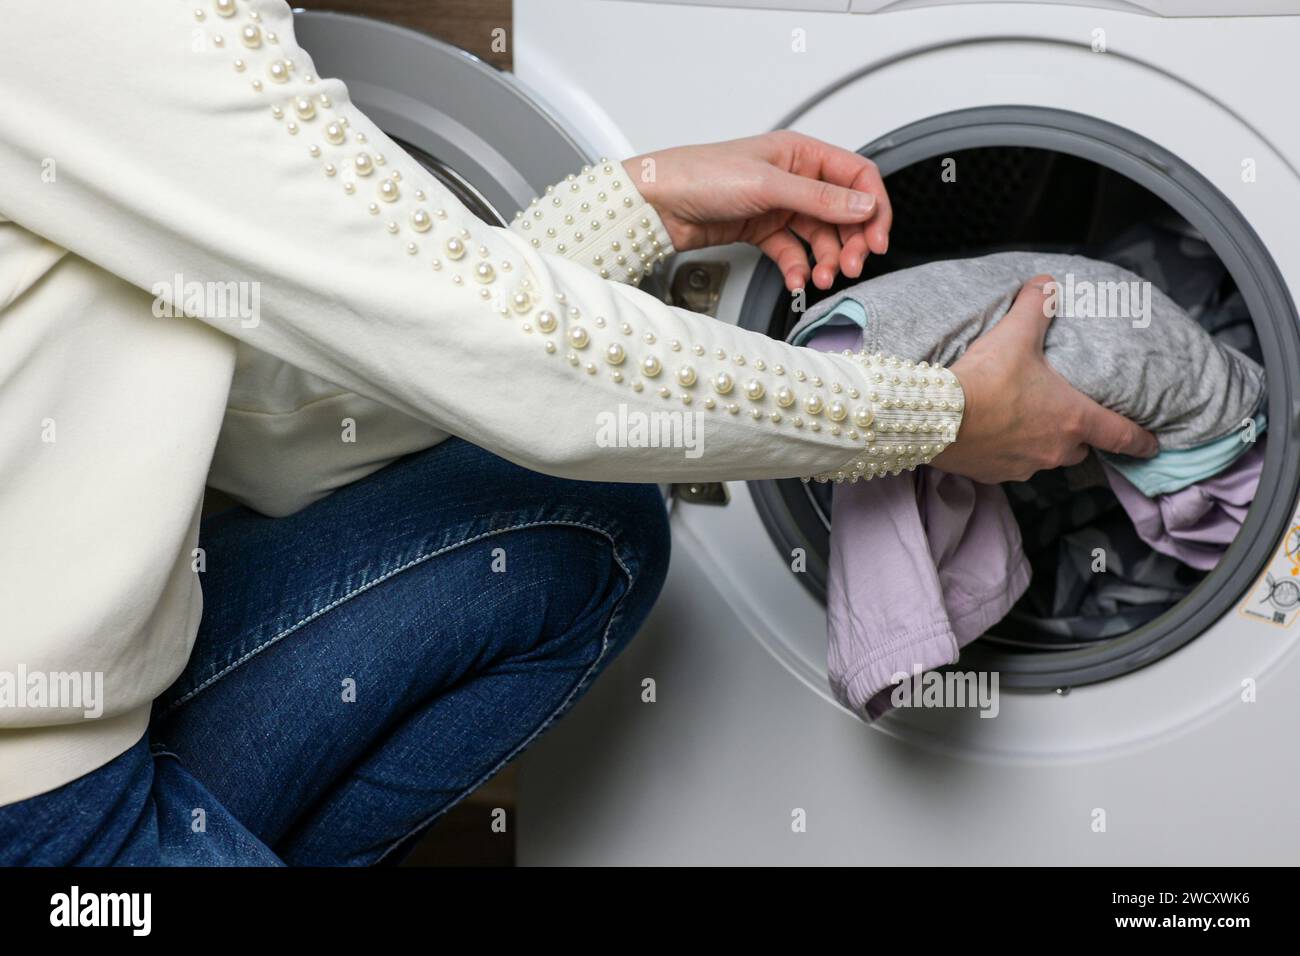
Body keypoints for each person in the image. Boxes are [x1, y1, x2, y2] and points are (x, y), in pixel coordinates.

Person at [0, 0, 1155, 865]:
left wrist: (635, 207)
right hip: (40, 804)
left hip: (71, 719)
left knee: (581, 536)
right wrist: (934, 416)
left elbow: (275, 422)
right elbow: (505, 354)